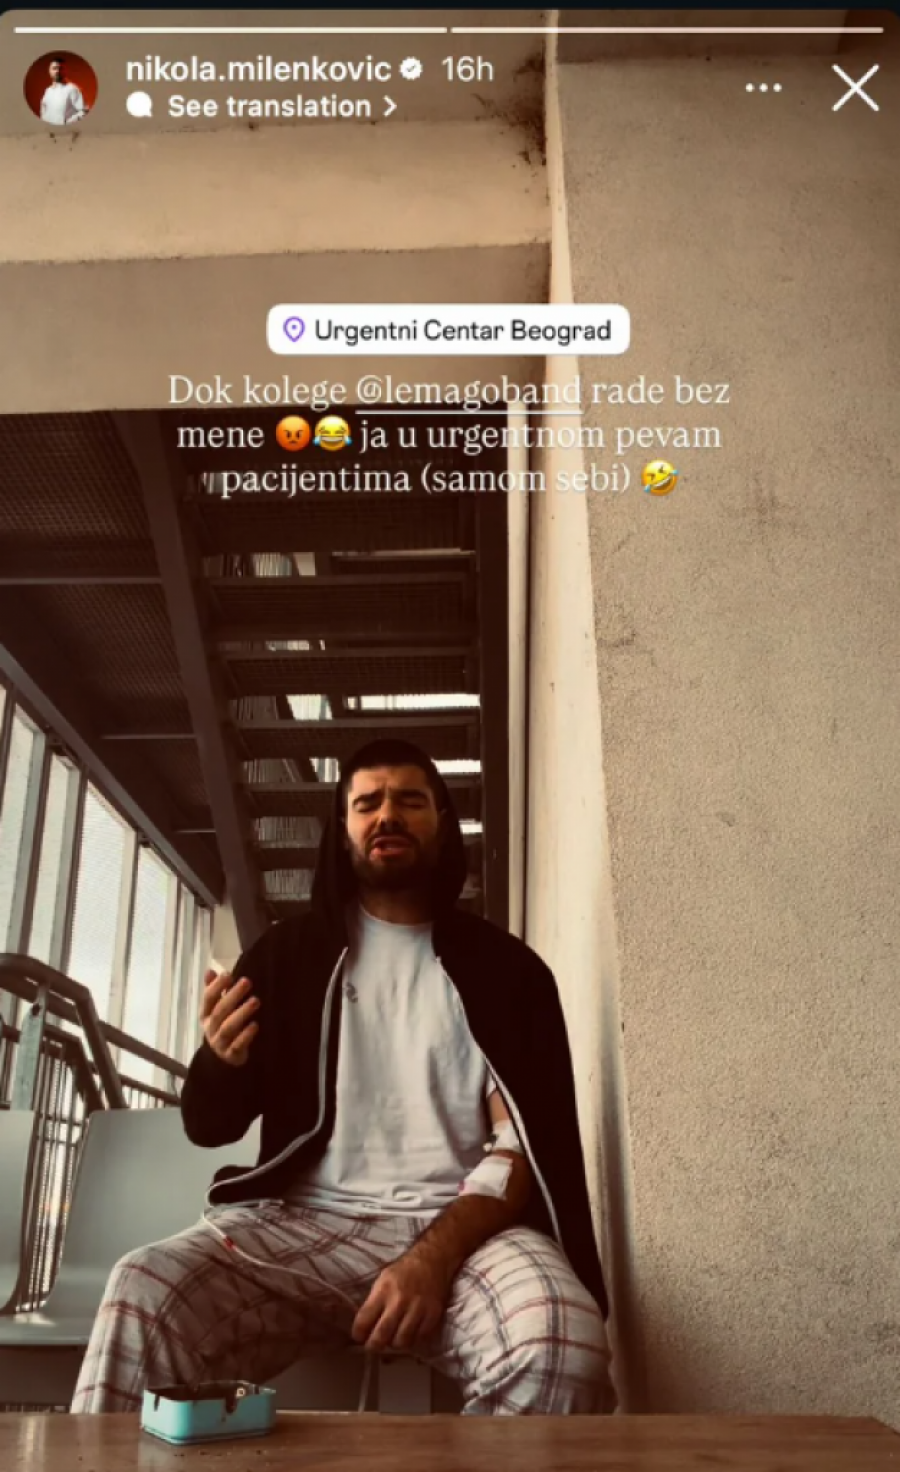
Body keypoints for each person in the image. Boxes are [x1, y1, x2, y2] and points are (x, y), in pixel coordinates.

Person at [71, 739, 616, 1415]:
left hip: (463, 1237)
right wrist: (221, 1058)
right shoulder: (285, 957)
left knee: (563, 1344)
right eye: (367, 803)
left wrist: (431, 1258)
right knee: (142, 1290)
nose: (388, 815)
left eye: (410, 800)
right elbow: (209, 1126)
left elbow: (518, 1150)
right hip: (299, 1231)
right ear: (343, 827)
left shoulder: (508, 973)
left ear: (443, 823)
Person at [39, 56, 87, 126]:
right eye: (54, 68)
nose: (57, 71)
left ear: (65, 71)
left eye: (61, 68)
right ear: (49, 71)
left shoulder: (72, 89)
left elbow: (83, 111)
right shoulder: (48, 91)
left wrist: (67, 123)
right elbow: (43, 112)